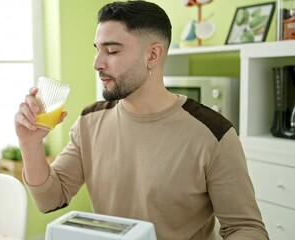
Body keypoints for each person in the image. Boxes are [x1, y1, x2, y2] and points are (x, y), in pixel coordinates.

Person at [14, 1, 269, 239]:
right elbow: (49, 200)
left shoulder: (214, 133)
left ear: (153, 55)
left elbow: (245, 228)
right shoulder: (89, 121)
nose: (97, 63)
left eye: (112, 51)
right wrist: (30, 143)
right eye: (98, 50)